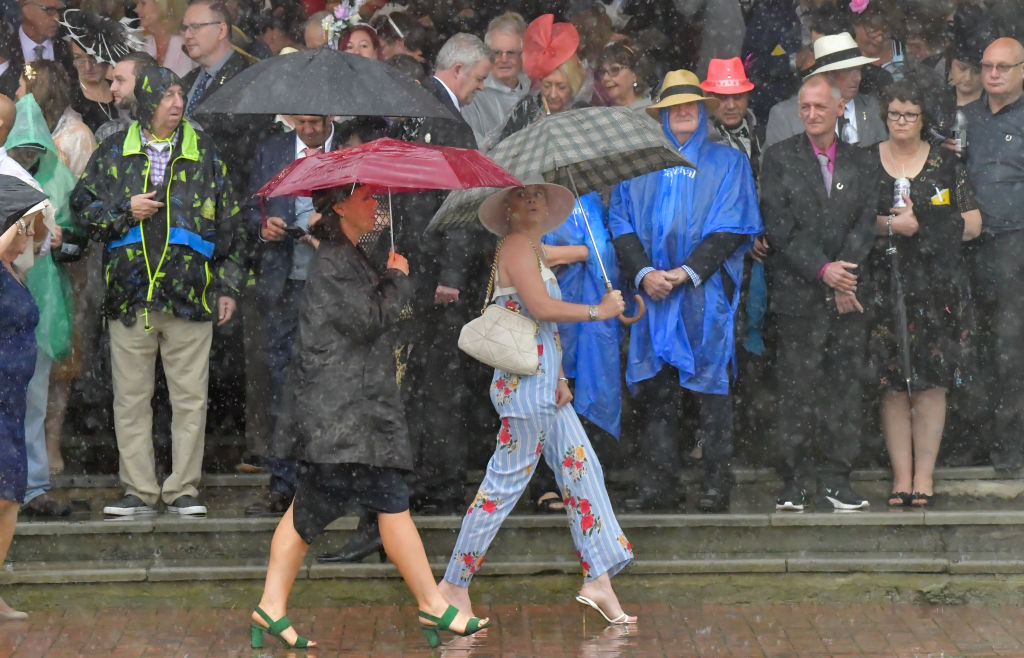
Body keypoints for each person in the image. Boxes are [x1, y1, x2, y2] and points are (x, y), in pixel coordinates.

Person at [251, 182, 490, 650]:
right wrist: (397, 277)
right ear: (340, 205)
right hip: (345, 415)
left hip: (350, 415)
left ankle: (272, 608)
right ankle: (432, 605)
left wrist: (388, 273)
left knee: (330, 508)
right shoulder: (335, 260)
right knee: (378, 500)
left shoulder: (349, 254)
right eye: (367, 198)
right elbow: (367, 320)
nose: (377, 206)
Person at [437, 181, 635, 626]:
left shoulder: (533, 246)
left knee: (583, 470)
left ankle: (598, 578)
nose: (531, 200)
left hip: (545, 383)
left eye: (539, 195)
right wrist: (598, 311)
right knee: (502, 487)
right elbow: (542, 308)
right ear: (507, 205)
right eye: (522, 194)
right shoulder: (515, 246)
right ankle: (453, 584)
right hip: (526, 386)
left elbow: (543, 327)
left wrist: (562, 376)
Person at [70, 66, 246, 518]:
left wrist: (227, 286)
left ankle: (184, 488)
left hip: (191, 298)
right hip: (130, 300)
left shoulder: (206, 153)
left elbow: (231, 226)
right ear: (146, 101)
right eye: (166, 95)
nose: (176, 102)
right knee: (130, 400)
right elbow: (81, 212)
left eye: (179, 94)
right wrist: (124, 211)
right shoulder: (114, 152)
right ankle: (139, 490)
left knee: (190, 400)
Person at [609, 69, 762, 513]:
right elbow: (619, 223)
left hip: (703, 296)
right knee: (657, 391)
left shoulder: (729, 163)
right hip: (652, 297)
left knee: (712, 391)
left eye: (689, 106)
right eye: (673, 106)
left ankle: (716, 483)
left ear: (701, 111)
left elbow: (733, 226)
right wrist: (643, 274)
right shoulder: (636, 166)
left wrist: (685, 273)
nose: (682, 113)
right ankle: (659, 482)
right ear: (661, 115)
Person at [760, 73, 878, 511]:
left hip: (849, 293)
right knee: (796, 388)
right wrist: (821, 269)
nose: (811, 115)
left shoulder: (861, 160)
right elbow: (779, 225)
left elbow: (867, 221)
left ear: (839, 109)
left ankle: (837, 478)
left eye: (819, 107)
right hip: (798, 293)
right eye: (804, 107)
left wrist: (844, 274)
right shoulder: (779, 158)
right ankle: (794, 480)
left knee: (844, 387)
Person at [868, 81, 981, 508]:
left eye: (910, 114)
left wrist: (927, 227)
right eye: (895, 113)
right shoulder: (866, 161)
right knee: (893, 385)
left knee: (931, 383)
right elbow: (855, 219)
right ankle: (900, 477)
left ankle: (924, 476)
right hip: (884, 284)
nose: (901, 121)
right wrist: (891, 225)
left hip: (937, 287)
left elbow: (973, 223)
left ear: (923, 119)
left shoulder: (946, 165)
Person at [241, 114, 341, 516]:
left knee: (330, 384)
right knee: (283, 384)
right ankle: (284, 483)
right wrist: (264, 226)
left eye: (315, 122)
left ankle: (327, 484)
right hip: (283, 286)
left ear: (330, 118)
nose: (308, 130)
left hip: (332, 287)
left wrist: (330, 226)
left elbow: (369, 218)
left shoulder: (348, 153)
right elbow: (249, 209)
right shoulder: (272, 152)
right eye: (300, 122)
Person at [961, 37, 1024, 473]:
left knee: (1009, 345)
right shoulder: (963, 119)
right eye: (987, 66)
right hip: (967, 247)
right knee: (970, 344)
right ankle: (974, 438)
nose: (994, 74)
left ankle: (1010, 445)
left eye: (1003, 66)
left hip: (1015, 246)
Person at [0, 175, 48, 620]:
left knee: (10, 495)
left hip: (12, 401)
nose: (29, 235)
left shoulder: (13, 270)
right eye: (23, 226)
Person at [180, 0, 263, 191]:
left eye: (195, 27)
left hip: (229, 193)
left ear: (221, 30)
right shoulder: (187, 81)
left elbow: (245, 144)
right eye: (185, 28)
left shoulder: (248, 76)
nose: (187, 35)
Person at [764, 31, 888, 150]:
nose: (858, 78)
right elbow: (776, 167)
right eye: (848, 71)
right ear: (826, 75)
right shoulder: (785, 115)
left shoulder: (873, 107)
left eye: (859, 69)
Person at [460, 11, 530, 151]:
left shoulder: (534, 90)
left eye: (510, 53)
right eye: (497, 53)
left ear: (522, 54)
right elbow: (473, 149)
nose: (503, 59)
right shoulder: (473, 96)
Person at [16, 61, 96, 177]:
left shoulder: (78, 135)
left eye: (20, 87)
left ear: (35, 93)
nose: (17, 93)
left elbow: (86, 185)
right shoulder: (22, 130)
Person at [703, 57, 762, 179]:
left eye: (737, 96)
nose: (731, 106)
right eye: (722, 97)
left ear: (747, 97)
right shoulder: (698, 142)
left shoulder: (761, 134)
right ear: (709, 99)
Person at [95, 51, 158, 143]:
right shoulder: (109, 133)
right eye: (113, 81)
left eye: (120, 80)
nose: (112, 88)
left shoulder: (178, 130)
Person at [137, 0, 196, 78]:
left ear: (161, 6)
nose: (137, 9)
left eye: (143, 3)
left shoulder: (187, 45)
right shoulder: (146, 46)